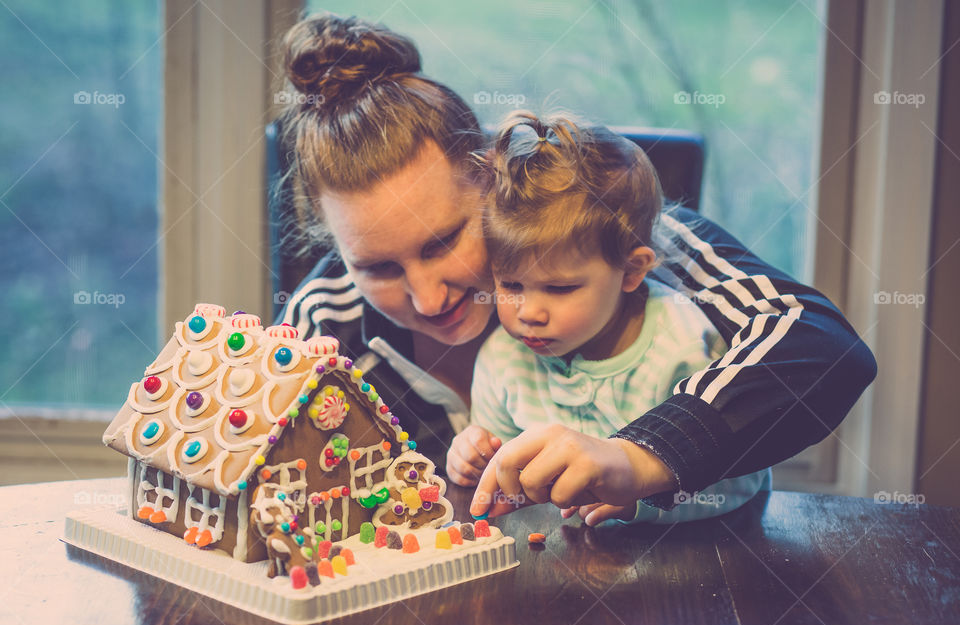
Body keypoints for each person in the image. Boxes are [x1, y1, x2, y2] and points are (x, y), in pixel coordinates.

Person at [275, 13, 876, 522]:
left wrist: (641, 456)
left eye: (442, 242)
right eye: (377, 267)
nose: (428, 298)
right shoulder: (323, 325)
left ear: (489, 176)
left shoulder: (605, 239)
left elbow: (823, 348)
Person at [463, 110, 770, 525]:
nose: (528, 314)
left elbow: (738, 483)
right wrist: (475, 455)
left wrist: (637, 499)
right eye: (511, 286)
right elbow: (504, 472)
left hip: (692, 563)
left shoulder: (683, 346)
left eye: (560, 289)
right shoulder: (503, 357)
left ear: (631, 271)